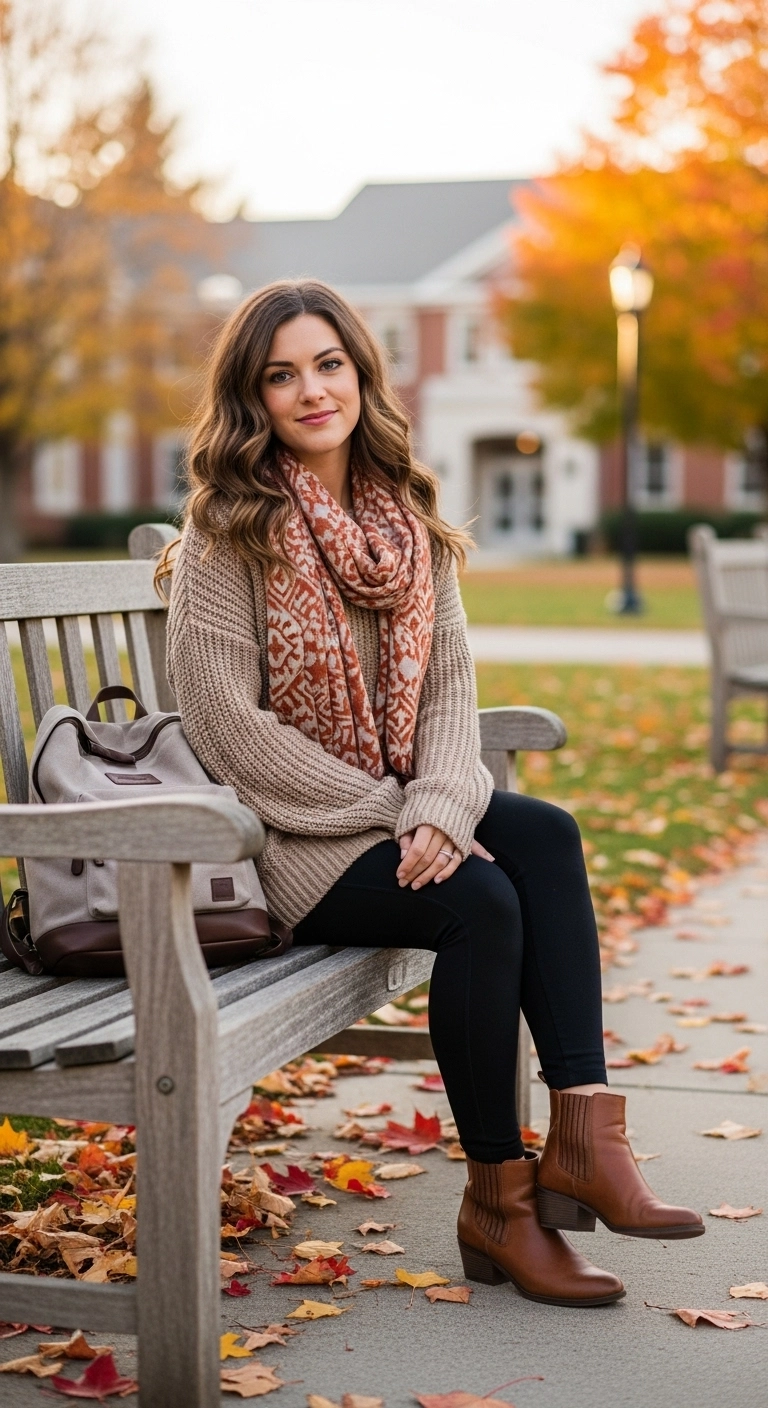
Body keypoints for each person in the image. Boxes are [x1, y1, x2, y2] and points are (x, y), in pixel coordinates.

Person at [163, 279, 703, 1309]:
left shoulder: (404, 521)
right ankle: (498, 1201)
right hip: (285, 840)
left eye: (329, 365)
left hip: (394, 813)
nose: (312, 390)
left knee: (543, 834)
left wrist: (439, 804)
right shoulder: (226, 530)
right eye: (282, 375)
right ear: (253, 399)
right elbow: (230, 729)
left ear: (363, 375)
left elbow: (453, 688)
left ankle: (586, 1132)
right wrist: (400, 809)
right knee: (479, 900)